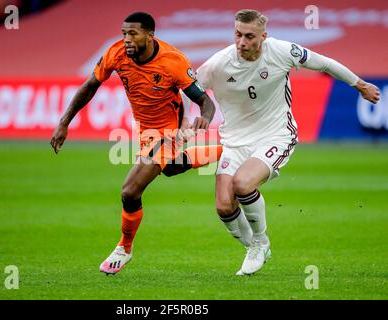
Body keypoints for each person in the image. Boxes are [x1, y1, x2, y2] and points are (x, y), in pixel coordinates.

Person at [195, 9, 380, 276]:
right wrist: (185, 124)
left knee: (242, 184)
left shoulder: (282, 51)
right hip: (235, 141)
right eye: (237, 35)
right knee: (224, 206)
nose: (242, 42)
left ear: (263, 37)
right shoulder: (217, 64)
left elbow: (325, 63)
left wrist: (359, 85)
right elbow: (190, 89)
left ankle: (259, 242)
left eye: (249, 36)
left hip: (276, 134)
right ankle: (255, 246)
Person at [50, 12, 222, 275]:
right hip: (143, 128)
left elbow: (204, 100)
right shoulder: (116, 53)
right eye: (124, 34)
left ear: (150, 35)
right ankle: (227, 150)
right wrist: (64, 122)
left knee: (130, 191)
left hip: (167, 131)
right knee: (171, 168)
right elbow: (90, 86)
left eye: (133, 34)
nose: (127, 39)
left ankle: (124, 248)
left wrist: (205, 119)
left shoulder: (173, 61)